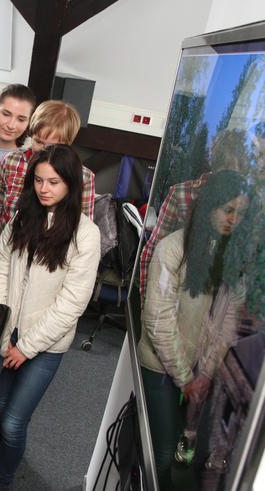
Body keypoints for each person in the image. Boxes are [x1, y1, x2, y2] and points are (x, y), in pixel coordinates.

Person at [0, 144, 100, 489]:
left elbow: (72, 304)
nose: (44, 188)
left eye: (53, 182)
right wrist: (3, 333)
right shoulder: (22, 218)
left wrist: (27, 346)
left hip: (46, 345)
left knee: (13, 422)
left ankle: (1, 480)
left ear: (70, 185)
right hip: (9, 333)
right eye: (38, 180)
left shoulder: (86, 233)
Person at [138, 171, 248, 489]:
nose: (233, 219)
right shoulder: (173, 249)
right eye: (227, 210)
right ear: (209, 206)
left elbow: (228, 324)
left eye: (240, 213)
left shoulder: (233, 257)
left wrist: (205, 374)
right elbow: (158, 320)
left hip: (199, 370)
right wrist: (186, 378)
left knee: (182, 453)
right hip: (161, 364)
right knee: (160, 455)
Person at [138, 128, 252, 300]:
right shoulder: (182, 193)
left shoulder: (248, 201)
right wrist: (146, 302)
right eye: (226, 171)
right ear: (215, 165)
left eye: (237, 174)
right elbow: (154, 250)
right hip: (179, 292)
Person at [0, 100, 96, 251]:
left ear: (67, 144)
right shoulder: (11, 162)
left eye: (53, 146)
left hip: (48, 258)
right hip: (6, 252)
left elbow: (82, 228)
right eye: (39, 142)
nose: (43, 151)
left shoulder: (83, 176)